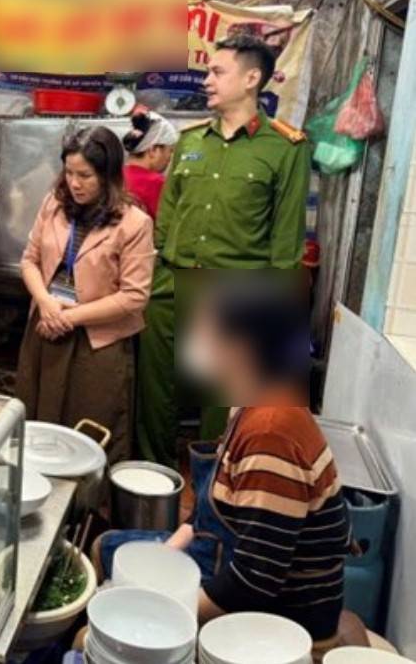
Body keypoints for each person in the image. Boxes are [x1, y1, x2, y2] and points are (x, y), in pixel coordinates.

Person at [93, 275, 351, 652]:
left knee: (96, 629)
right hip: (225, 560)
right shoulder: (249, 402)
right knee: (108, 548)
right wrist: (164, 554)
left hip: (277, 616)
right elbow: (205, 517)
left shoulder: (271, 432)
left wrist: (161, 612)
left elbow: (254, 582)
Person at [136, 33, 311, 465]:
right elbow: (168, 214)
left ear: (251, 79)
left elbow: (286, 240)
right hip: (171, 283)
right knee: (154, 396)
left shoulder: (285, 148)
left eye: (217, 72)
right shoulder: (192, 141)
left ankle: (212, 489)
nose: (207, 81)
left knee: (222, 409)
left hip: (237, 290)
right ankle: (150, 481)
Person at [15, 127, 154, 464]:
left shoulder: (134, 223)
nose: (74, 183)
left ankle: (87, 495)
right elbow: (30, 260)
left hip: (96, 342)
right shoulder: (54, 204)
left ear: (108, 175)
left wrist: (69, 317)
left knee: (89, 428)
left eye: (85, 176)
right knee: (38, 419)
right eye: (69, 173)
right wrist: (46, 303)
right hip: (46, 326)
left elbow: (134, 296)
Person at [121, 108, 179, 219]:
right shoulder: (158, 184)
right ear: (153, 150)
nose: (170, 158)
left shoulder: (113, 177)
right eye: (170, 151)